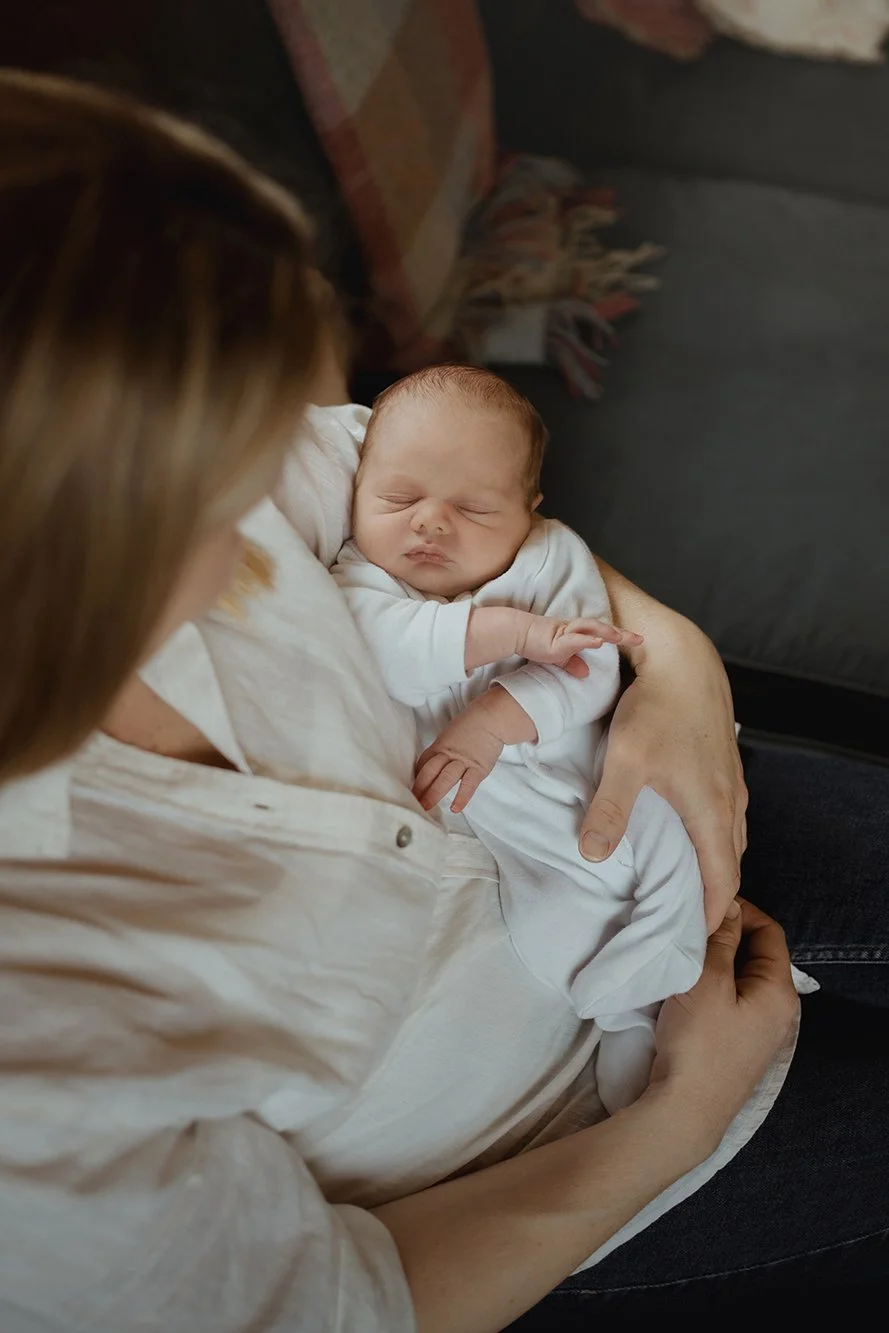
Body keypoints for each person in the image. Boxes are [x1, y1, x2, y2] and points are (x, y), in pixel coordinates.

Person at [0, 70, 885, 1333]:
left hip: (639, 795)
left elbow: (446, 505)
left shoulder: (178, 456)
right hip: (569, 1151)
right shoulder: (29, 1025)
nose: (266, 518)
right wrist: (682, 1113)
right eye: (224, 492)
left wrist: (680, 665)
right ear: (71, 540)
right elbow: (327, 1306)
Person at [333, 364, 708, 1112]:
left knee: (674, 850)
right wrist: (512, 633)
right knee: (556, 918)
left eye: (474, 507)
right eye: (398, 499)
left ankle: (666, 975)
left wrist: (493, 719)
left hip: (585, 757)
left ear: (529, 510)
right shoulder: (360, 578)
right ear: (357, 487)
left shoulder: (552, 556)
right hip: (499, 812)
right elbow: (384, 650)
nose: (430, 522)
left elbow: (591, 672)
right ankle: (623, 1014)